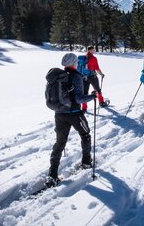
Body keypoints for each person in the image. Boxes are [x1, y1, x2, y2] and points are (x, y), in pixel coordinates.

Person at [46, 53, 96, 187]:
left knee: (60, 143)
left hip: (59, 114)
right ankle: (86, 162)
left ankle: (52, 175)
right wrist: (92, 96)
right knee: (85, 135)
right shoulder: (76, 77)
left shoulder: (58, 77)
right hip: (74, 113)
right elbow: (79, 99)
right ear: (74, 63)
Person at [81, 46, 108, 111]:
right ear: (90, 50)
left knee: (84, 93)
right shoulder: (93, 58)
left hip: (84, 77)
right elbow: (97, 68)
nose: (94, 51)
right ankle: (101, 102)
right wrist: (101, 74)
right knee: (98, 90)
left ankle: (84, 108)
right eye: (93, 50)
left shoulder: (83, 58)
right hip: (92, 76)